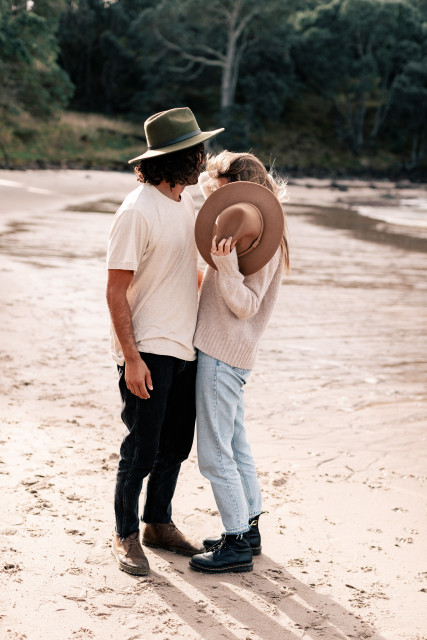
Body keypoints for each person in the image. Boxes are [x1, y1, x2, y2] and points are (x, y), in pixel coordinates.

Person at [106, 107, 223, 575]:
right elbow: (116, 290)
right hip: (148, 348)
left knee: (174, 446)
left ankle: (157, 522)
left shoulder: (184, 202)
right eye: (197, 153)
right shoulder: (136, 211)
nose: (203, 160)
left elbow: (184, 271)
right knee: (141, 449)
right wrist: (131, 358)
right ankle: (125, 534)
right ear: (176, 159)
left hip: (184, 346)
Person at [189, 151, 290, 573]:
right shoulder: (252, 233)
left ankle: (235, 544)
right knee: (235, 445)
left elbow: (246, 305)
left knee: (214, 452)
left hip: (223, 355)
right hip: (232, 353)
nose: (218, 201)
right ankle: (248, 530)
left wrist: (225, 268)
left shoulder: (260, 242)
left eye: (223, 193)